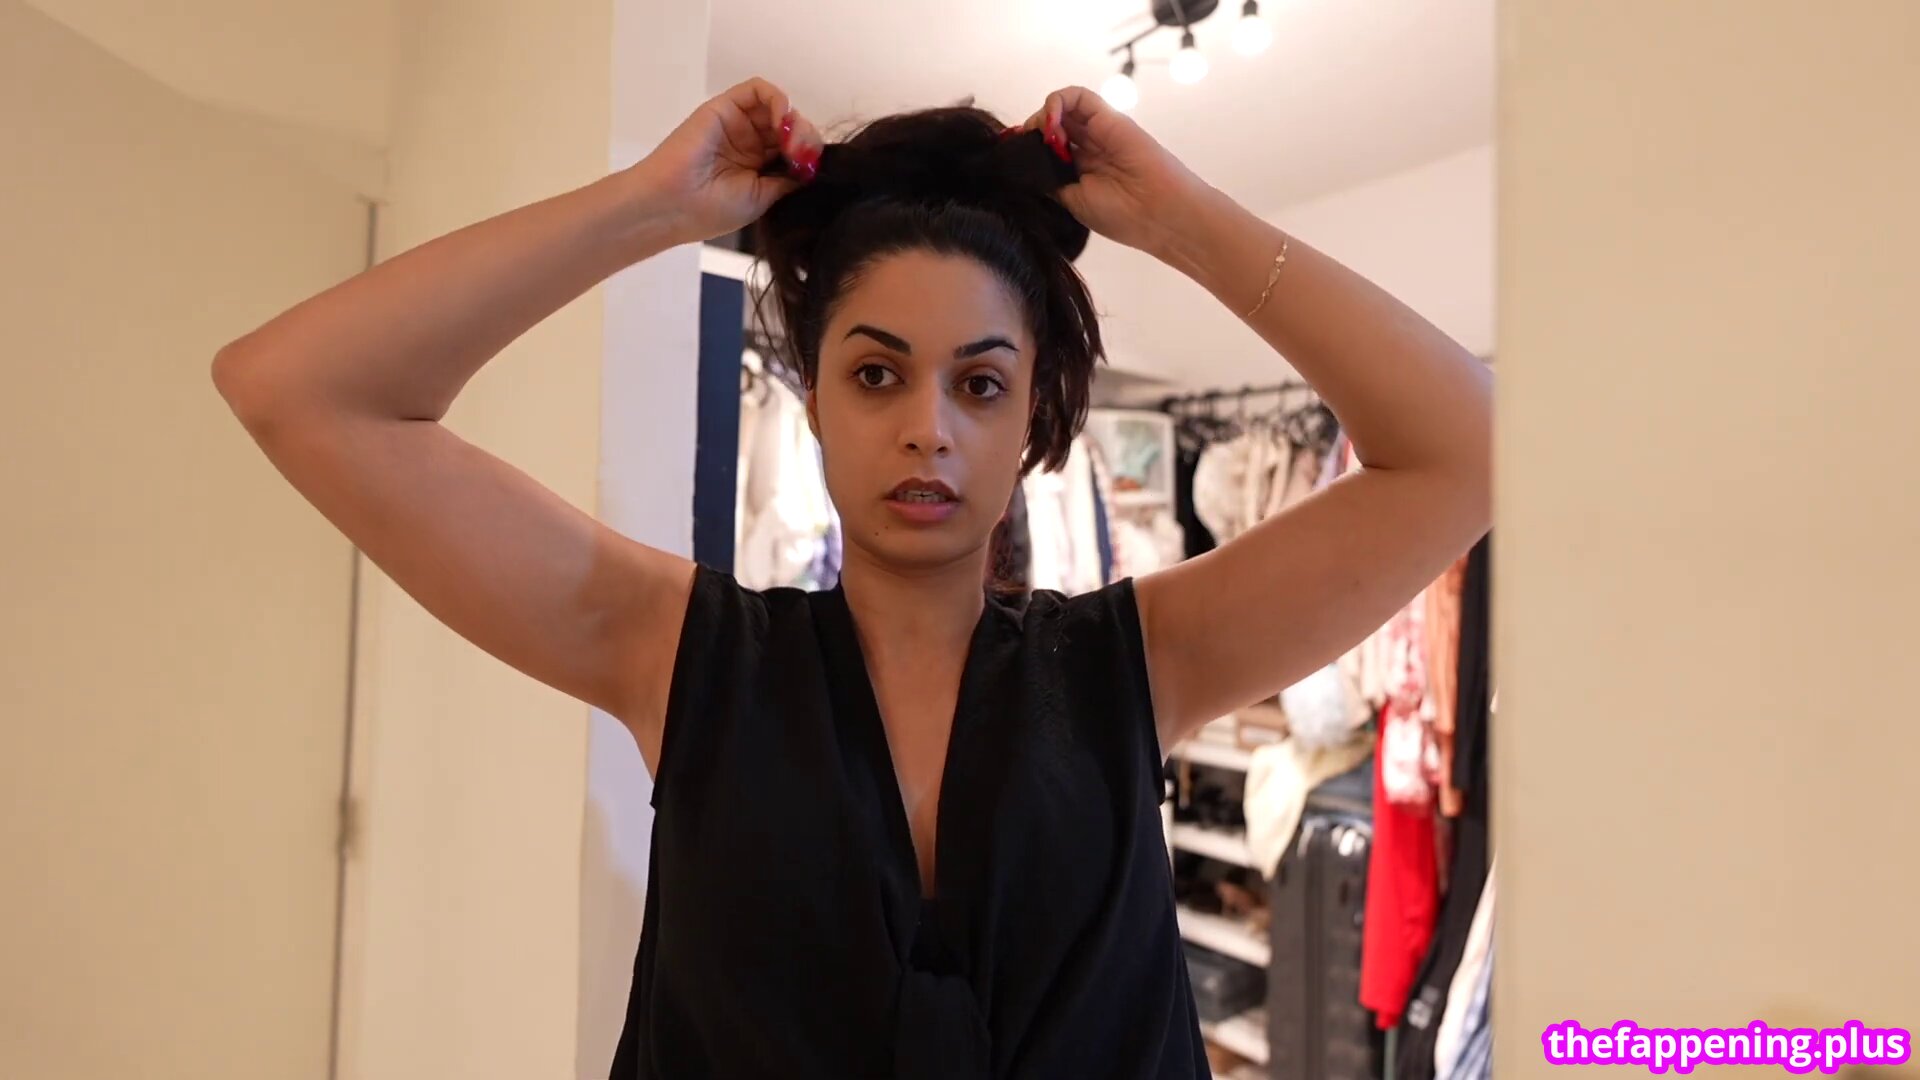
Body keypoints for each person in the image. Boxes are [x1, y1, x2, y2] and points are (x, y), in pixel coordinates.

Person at [213, 77, 1491, 1079]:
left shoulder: (1139, 658)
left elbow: (1470, 449)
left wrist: (1183, 220)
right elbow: (297, 390)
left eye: (980, 383)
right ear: (815, 400)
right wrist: (651, 207)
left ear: (1032, 415)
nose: (929, 428)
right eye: (877, 374)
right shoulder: (679, 649)